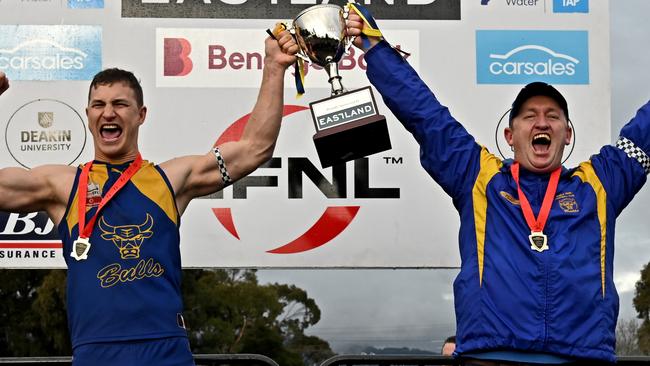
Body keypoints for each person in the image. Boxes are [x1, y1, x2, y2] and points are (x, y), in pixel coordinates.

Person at [346, 10, 648, 366]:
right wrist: (375, 48)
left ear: (567, 134)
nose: (541, 122)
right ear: (510, 134)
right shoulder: (478, 175)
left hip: (580, 356)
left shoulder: (600, 184)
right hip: (490, 355)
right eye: (529, 115)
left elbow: (645, 130)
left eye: (553, 115)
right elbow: (426, 115)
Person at [0, 31, 298, 365]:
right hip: (96, 352)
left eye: (120, 104)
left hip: (165, 350)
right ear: (88, 115)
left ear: (140, 114)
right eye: (99, 105)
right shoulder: (63, 184)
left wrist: (274, 65)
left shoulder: (169, 179)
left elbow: (254, 149)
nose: (108, 113)